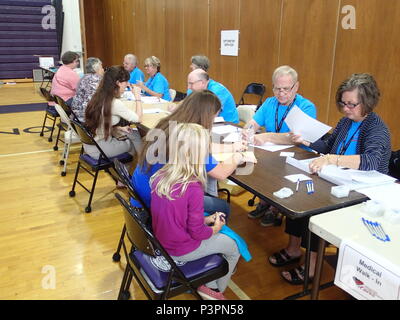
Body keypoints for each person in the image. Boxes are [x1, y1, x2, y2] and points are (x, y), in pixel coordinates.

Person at [270, 73, 391, 285]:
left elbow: (371, 161)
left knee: (316, 209)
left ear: (368, 102)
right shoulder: (346, 122)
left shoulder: (376, 128)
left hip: (360, 192)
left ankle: (312, 266)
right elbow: (328, 146)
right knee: (300, 196)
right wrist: (305, 140)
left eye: (352, 104)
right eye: (343, 103)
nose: (346, 109)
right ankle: (293, 248)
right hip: (337, 181)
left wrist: (332, 159)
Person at [150, 122, 240, 300]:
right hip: (181, 248)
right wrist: (216, 228)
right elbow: (198, 233)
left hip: (162, 241)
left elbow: (176, 217)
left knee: (219, 237)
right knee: (234, 247)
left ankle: (210, 280)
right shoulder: (192, 187)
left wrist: (207, 220)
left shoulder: (161, 175)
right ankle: (213, 289)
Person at [131, 90, 253, 220]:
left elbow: (206, 148)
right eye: (214, 117)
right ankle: (212, 235)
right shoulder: (189, 139)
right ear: (206, 116)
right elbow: (221, 173)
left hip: (140, 194)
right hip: (156, 203)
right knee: (223, 207)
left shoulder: (169, 124)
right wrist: (238, 156)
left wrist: (232, 147)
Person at [245, 65, 316, 227]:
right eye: (277, 89)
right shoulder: (270, 102)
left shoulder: (306, 107)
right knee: (258, 166)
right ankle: (265, 202)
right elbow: (253, 123)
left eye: (286, 89)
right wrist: (248, 131)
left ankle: (275, 208)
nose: (281, 93)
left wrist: (268, 136)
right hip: (271, 153)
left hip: (297, 157)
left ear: (296, 86)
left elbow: (295, 138)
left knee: (277, 169)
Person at [84, 65, 143, 160]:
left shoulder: (98, 96)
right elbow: (138, 119)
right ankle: (136, 170)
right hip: (99, 149)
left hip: (90, 145)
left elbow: (100, 123)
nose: (127, 84)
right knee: (134, 139)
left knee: (132, 135)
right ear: (118, 83)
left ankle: (124, 171)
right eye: (126, 82)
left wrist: (118, 128)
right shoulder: (114, 103)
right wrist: (137, 97)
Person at [71, 57, 104, 122]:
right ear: (95, 69)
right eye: (101, 67)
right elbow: (93, 103)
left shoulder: (84, 77)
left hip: (76, 114)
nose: (103, 70)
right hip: (85, 116)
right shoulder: (95, 81)